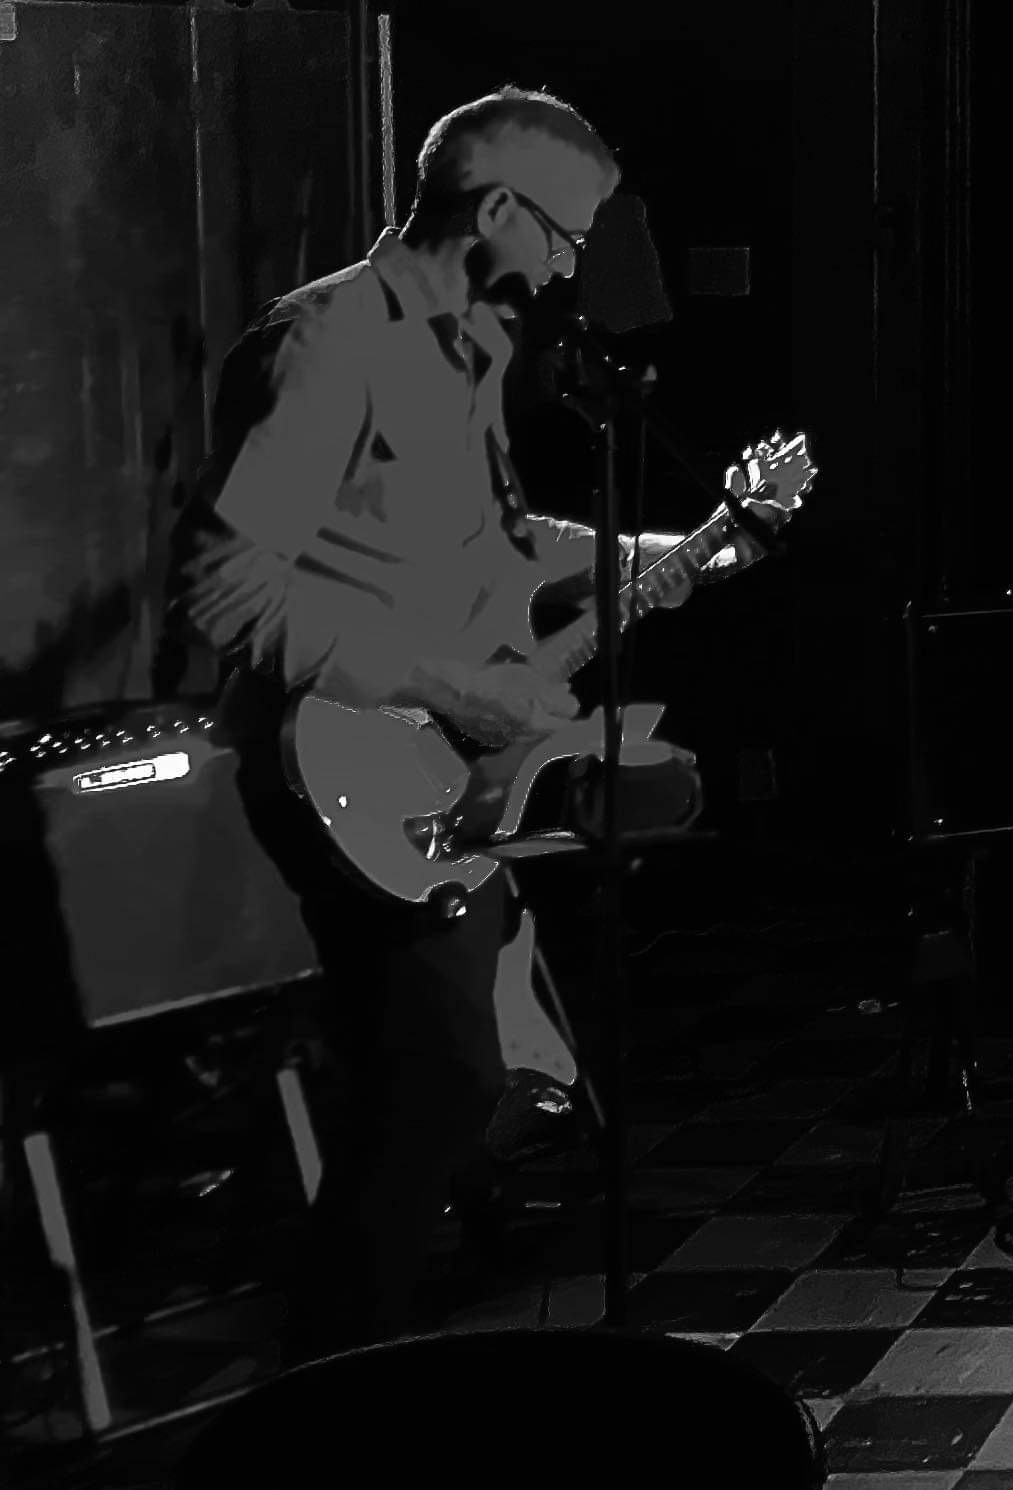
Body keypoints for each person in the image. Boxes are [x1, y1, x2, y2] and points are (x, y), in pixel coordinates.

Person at [179, 87, 704, 1354]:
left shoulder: (466, 349)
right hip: (330, 757)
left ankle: (368, 1357)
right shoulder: (324, 344)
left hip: (418, 761)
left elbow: (493, 545)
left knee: (455, 1085)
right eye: (564, 240)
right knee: (435, 1084)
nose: (569, 272)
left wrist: (649, 552)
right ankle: (329, 1383)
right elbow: (226, 589)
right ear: (498, 209)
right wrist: (450, 685)